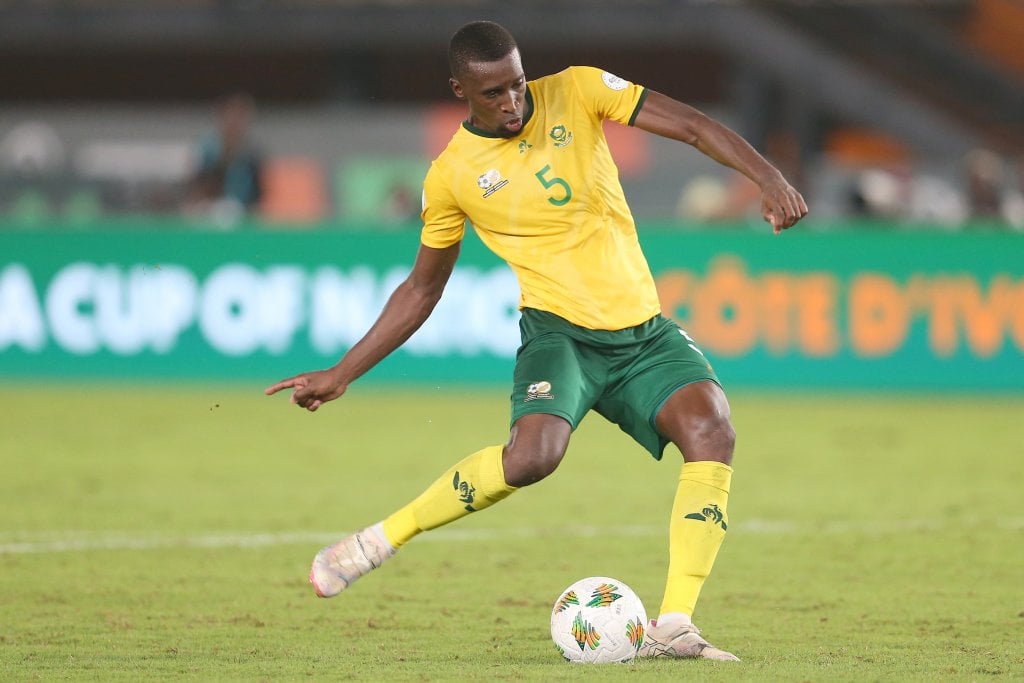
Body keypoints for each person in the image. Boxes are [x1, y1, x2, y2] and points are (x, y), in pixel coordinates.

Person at [266, 20, 807, 661]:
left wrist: (766, 177)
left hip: (643, 331)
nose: (512, 103)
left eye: (518, 85)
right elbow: (422, 289)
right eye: (493, 92)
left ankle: (674, 626)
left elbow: (690, 124)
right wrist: (344, 371)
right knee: (532, 460)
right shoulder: (452, 176)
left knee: (713, 429)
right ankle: (375, 542)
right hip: (560, 335)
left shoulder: (578, 90)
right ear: (459, 90)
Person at [185, 92, 263, 224]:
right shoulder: (207, 149)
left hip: (243, 213)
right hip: (211, 210)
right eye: (232, 114)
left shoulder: (252, 153)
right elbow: (199, 188)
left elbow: (258, 193)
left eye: (241, 116)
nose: (235, 121)